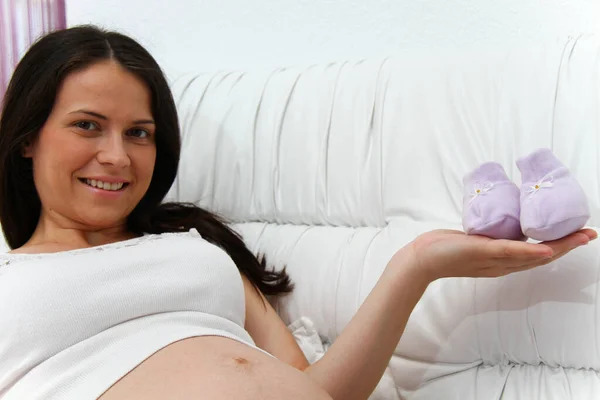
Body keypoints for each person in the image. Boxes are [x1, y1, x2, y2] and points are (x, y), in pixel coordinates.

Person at [0, 25, 595, 400]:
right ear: (28, 134)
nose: (117, 156)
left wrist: (416, 265)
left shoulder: (191, 247)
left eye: (139, 133)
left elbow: (318, 389)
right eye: (87, 125)